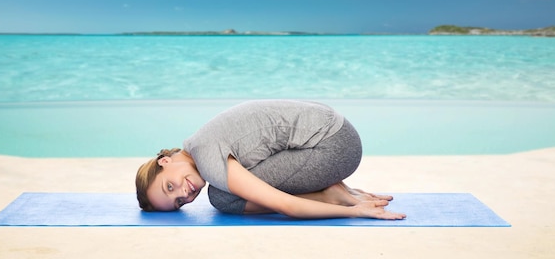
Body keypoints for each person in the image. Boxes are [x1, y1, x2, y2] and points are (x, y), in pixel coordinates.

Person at [135, 99, 406, 220]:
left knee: (223, 198)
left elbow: (286, 206)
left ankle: (329, 194)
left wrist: (353, 211)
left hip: (335, 148)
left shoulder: (208, 157)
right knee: (229, 187)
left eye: (169, 187)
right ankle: (334, 187)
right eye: (179, 202)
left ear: (164, 162)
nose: (185, 194)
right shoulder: (198, 141)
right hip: (338, 131)